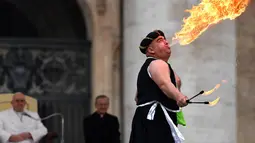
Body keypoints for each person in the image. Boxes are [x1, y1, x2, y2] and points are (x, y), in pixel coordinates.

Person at [129, 30, 188, 143]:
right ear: (151, 50)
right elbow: (164, 84)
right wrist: (179, 96)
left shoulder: (156, 65)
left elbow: (137, 97)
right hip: (155, 120)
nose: (166, 42)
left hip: (149, 119)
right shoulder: (157, 63)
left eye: (165, 39)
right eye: (160, 41)